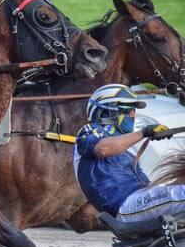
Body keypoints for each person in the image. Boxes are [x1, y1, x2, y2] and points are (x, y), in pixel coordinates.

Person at [73, 84, 181, 224]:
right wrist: (144, 132)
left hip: (139, 201)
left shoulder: (126, 154)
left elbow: (150, 188)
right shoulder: (89, 131)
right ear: (107, 111)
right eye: (128, 109)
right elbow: (103, 149)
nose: (133, 114)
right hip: (123, 205)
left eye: (134, 110)